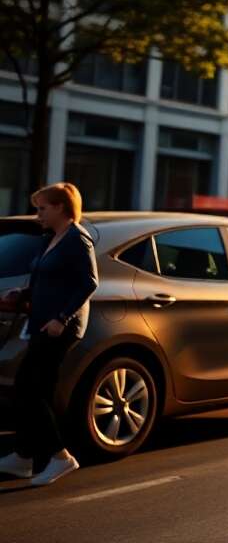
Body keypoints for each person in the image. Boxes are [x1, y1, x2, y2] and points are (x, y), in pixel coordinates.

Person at [0, 182, 99, 486]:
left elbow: (88, 283)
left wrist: (61, 317)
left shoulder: (78, 240)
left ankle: (60, 457)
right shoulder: (52, 238)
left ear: (60, 207)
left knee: (30, 389)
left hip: (60, 328)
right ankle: (24, 456)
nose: (38, 214)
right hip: (42, 322)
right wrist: (25, 291)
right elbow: (48, 276)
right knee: (30, 389)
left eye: (42, 208)